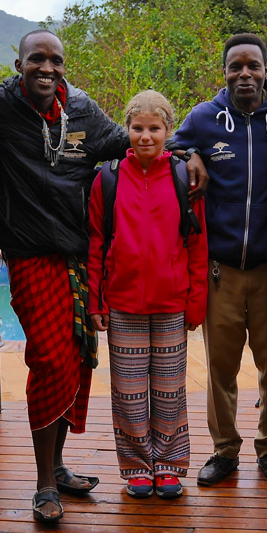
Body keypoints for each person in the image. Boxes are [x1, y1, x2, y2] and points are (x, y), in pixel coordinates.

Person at [0, 31, 208, 523]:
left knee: (78, 362)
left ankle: (56, 466)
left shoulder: (82, 112)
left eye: (55, 60)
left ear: (64, 66)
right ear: (17, 64)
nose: (45, 67)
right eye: (35, 59)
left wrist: (189, 154)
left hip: (79, 258)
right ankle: (42, 487)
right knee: (51, 360)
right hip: (30, 256)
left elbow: (142, 139)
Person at [171, 33, 267, 487]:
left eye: (252, 65)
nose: (244, 74)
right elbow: (165, 147)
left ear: (266, 68)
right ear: (223, 71)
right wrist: (189, 154)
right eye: (235, 67)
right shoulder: (205, 118)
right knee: (220, 368)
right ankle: (225, 451)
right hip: (221, 267)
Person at [87, 91, 208, 499]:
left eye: (154, 128)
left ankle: (170, 465)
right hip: (122, 303)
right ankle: (138, 466)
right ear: (127, 129)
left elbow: (196, 244)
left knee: (170, 388)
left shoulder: (181, 177)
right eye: (137, 128)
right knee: (128, 389)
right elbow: (97, 244)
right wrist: (96, 301)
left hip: (172, 302)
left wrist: (196, 300)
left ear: (168, 131)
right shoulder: (108, 179)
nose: (145, 136)